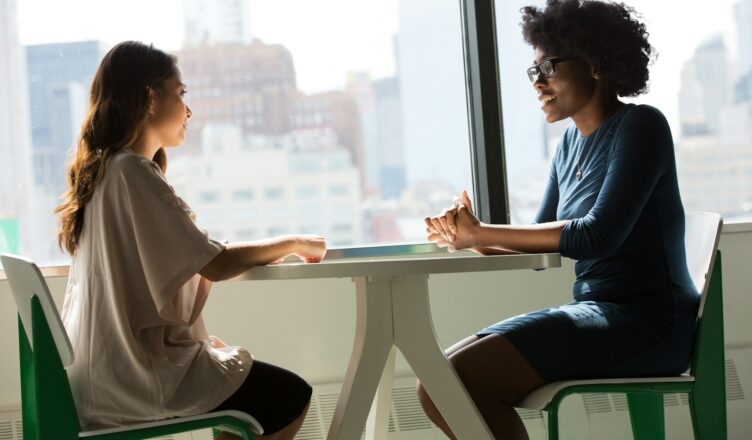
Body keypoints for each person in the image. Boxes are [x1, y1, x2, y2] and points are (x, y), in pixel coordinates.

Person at [419, 1, 699, 438]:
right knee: (436, 384)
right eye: (533, 72)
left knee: (451, 384)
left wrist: (482, 231)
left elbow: (598, 235)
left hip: (649, 324)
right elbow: (537, 246)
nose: (538, 83)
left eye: (547, 67)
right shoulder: (568, 145)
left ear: (595, 63)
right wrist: (466, 236)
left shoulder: (642, 126)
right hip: (597, 313)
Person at [56, 41, 326, 440]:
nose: (189, 110)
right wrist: (294, 242)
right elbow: (213, 262)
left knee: (243, 403)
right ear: (151, 98)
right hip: (133, 379)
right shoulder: (131, 172)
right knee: (289, 396)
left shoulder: (103, 174)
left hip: (100, 376)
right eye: (181, 94)